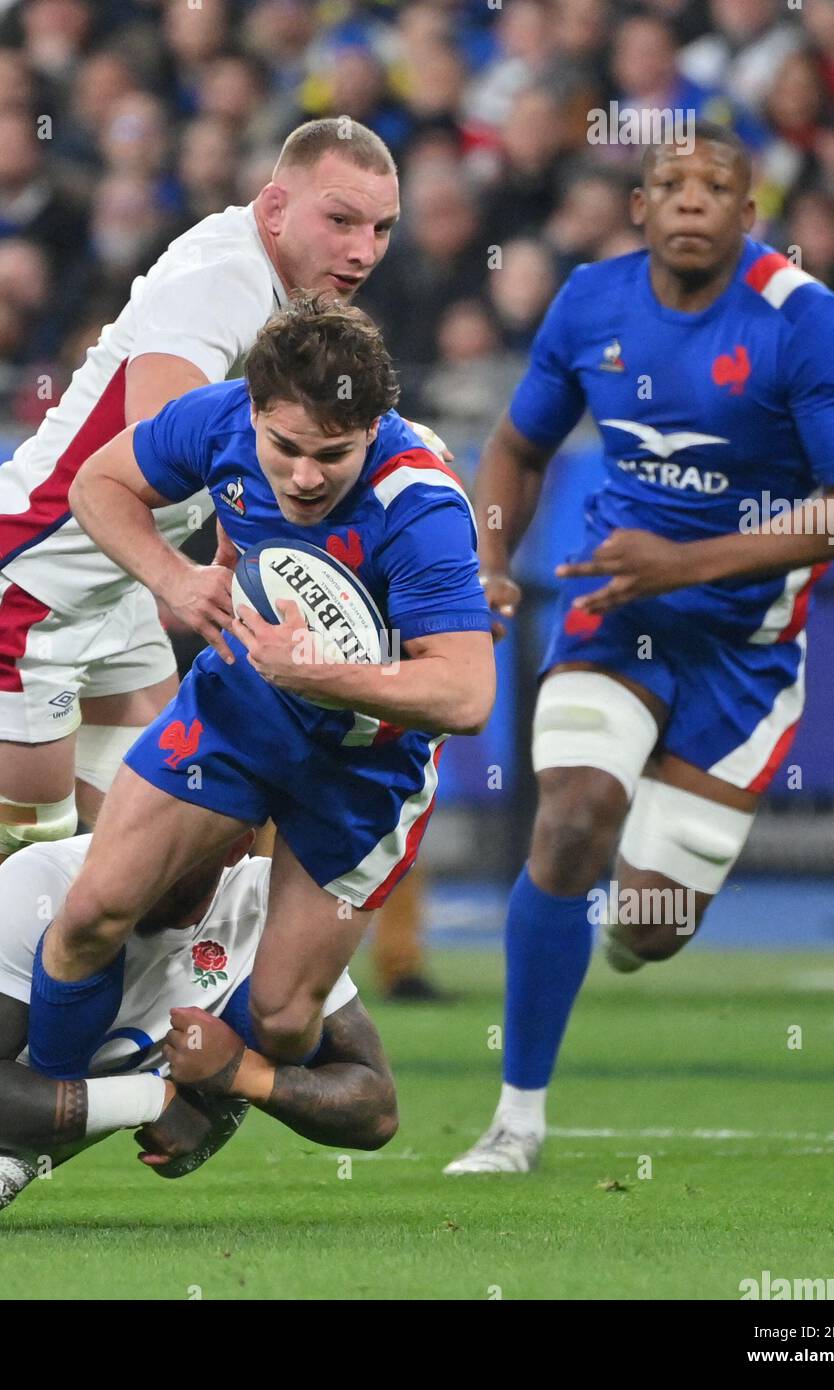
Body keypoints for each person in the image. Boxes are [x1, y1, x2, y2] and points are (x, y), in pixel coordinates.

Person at [0, 119, 403, 962]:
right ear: (274, 207)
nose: (364, 249)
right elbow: (161, 430)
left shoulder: (276, 293)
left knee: (181, 846)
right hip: (19, 592)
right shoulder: (223, 281)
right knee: (8, 875)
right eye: (341, 221)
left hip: (107, 595)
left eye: (381, 228)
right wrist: (188, 578)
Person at [445, 124, 834, 1175]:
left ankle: (617, 926)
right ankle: (514, 1118)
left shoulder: (804, 321)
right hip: (618, 611)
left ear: (749, 216)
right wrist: (489, 562)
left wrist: (690, 565)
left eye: (716, 187)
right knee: (568, 821)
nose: (690, 200)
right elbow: (516, 444)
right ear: (637, 209)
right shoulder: (589, 304)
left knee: (648, 926)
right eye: (667, 184)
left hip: (744, 652)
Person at [25, 294, 495, 1088]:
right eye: (285, 447)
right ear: (254, 409)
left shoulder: (420, 508)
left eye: (334, 453)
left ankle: (248, 1089)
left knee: (281, 1016)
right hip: (240, 710)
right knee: (93, 913)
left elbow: (467, 694)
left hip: (365, 765)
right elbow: (97, 484)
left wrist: (314, 672)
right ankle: (33, 1123)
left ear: (374, 429)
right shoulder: (216, 421)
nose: (306, 476)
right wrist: (172, 577)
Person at [0, 833, 397, 1232]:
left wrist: (248, 1078)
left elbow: (374, 1109)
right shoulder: (54, 876)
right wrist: (150, 1099)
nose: (161, 850)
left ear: (237, 844)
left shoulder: (268, 912)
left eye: (190, 833)